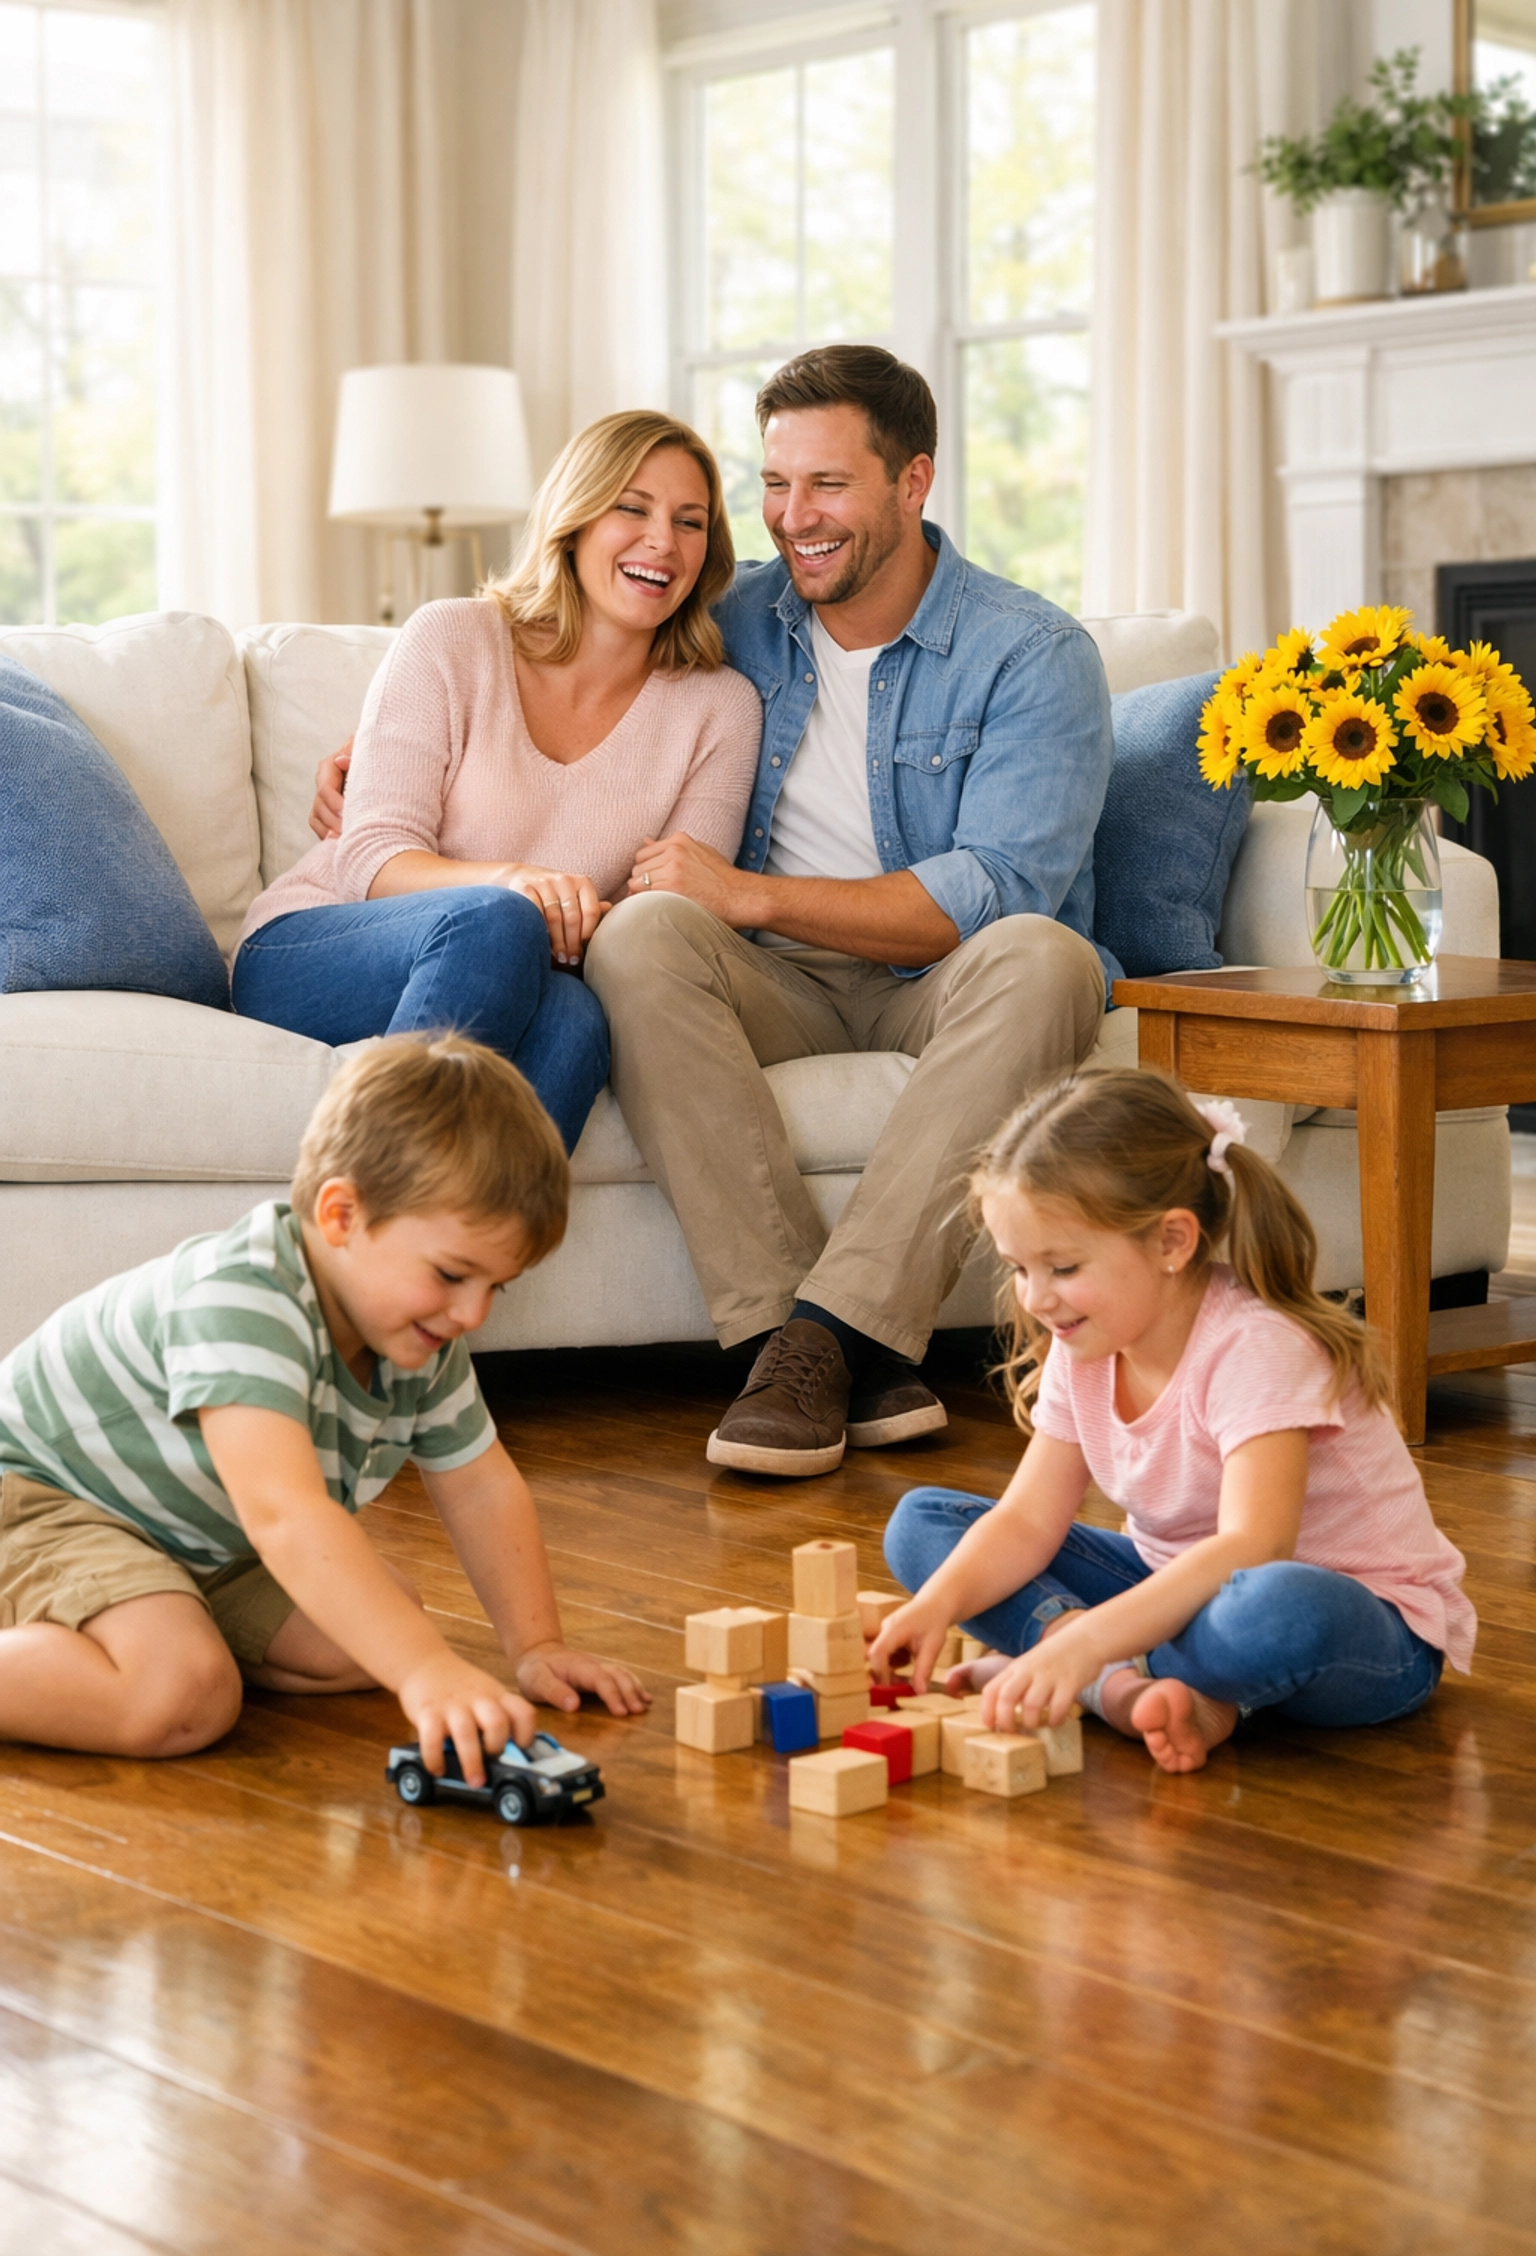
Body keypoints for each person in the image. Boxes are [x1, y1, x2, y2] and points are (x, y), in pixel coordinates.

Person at [310, 348, 1111, 1478]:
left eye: (827, 486)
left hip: (943, 982)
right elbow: (571, 657)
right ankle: (802, 1339)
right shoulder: (729, 616)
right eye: (776, 486)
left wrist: (750, 892)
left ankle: (824, 1340)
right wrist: (365, 764)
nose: (794, 518)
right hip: (766, 979)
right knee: (640, 932)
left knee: (1048, 955)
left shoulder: (1032, 656)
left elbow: (993, 890)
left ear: (914, 483)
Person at [0, 1036, 649, 1779]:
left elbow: (479, 1485)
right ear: (341, 1214)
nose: (474, 1314)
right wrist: (425, 1673)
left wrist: (536, 1647)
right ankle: (140, 1643)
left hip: (199, 1534)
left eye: (496, 1287)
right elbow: (286, 1515)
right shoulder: (242, 1296)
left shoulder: (420, 1334)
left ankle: (151, 1621)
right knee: (182, 1694)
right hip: (42, 1503)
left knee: (371, 1632)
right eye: (451, 1274)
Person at [869, 1067, 1475, 1775]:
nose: (1036, 1298)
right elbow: (1029, 1522)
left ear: (1171, 1242)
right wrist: (936, 1607)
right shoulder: (1087, 1339)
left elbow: (1255, 1546)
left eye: (1061, 1267)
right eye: (1018, 1268)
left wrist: (1083, 1640)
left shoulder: (1257, 1345)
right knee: (925, 1523)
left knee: (1277, 1608)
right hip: (1176, 1594)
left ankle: (1088, 1669)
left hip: (1359, 1629)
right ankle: (1130, 1687)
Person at [237, 411, 761, 1157]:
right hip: (316, 944)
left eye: (691, 521)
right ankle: (368, 1222)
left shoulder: (720, 710)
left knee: (579, 1024)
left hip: (526, 971)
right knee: (497, 919)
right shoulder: (452, 638)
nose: (663, 542)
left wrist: (536, 910)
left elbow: (664, 924)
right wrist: (518, 887)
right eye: (631, 508)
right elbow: (371, 856)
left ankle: (445, 1263)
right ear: (574, 520)